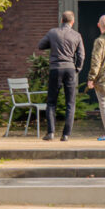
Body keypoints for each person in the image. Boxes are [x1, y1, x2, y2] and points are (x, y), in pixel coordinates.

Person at [36, 11, 85, 142]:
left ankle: (51, 133)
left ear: (61, 20)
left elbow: (40, 45)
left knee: (51, 102)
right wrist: (77, 69)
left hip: (55, 68)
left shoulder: (53, 32)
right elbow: (81, 55)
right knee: (70, 103)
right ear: (72, 22)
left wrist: (52, 44)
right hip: (70, 69)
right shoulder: (77, 35)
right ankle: (66, 135)